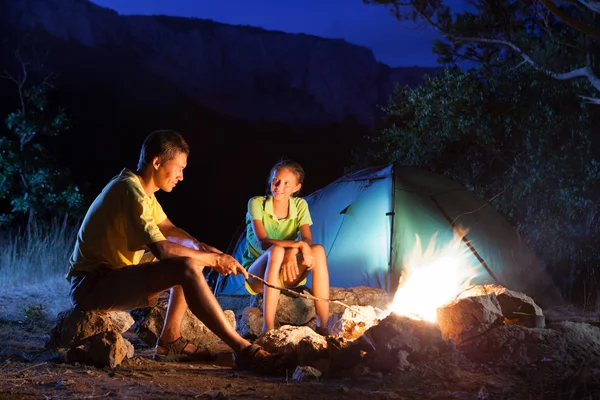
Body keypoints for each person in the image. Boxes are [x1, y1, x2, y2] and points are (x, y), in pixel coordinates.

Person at [66, 130, 280, 372]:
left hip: (110, 277)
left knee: (192, 259)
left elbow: (169, 229)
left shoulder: (142, 192)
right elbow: (163, 249)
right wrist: (212, 260)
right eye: (179, 168)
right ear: (157, 162)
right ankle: (243, 349)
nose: (181, 176)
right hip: (91, 285)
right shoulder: (129, 190)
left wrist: (209, 251)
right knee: (186, 264)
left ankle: (170, 342)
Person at [242, 159, 330, 335]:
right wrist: (295, 246)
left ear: (296, 187)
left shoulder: (300, 205)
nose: (279, 187)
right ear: (271, 180)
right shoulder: (256, 203)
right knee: (276, 250)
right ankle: (268, 329)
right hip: (257, 275)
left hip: (285, 272)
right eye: (276, 180)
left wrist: (292, 251)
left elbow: (307, 239)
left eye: (286, 183)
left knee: (318, 251)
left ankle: (323, 326)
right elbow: (263, 242)